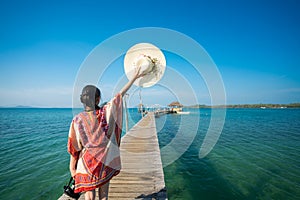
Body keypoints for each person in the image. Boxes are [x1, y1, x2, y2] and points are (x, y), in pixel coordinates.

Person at [67, 67, 146, 200]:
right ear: (97, 99)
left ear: (82, 100)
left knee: (89, 196)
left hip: (87, 163)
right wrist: (135, 76)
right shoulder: (105, 112)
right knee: (104, 196)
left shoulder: (77, 120)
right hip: (105, 161)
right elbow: (119, 96)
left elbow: (74, 147)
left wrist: (72, 168)